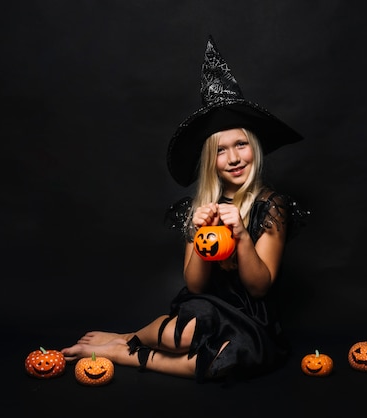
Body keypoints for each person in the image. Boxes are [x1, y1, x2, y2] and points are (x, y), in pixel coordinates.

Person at [61, 35, 308, 382]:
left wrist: (240, 234)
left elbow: (259, 287)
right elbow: (194, 285)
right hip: (206, 309)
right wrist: (198, 230)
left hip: (253, 318)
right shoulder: (200, 208)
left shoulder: (271, 206)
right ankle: (130, 338)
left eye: (241, 145)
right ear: (211, 160)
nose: (234, 158)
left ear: (255, 149)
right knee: (191, 332)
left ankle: (124, 353)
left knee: (230, 359)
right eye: (222, 150)